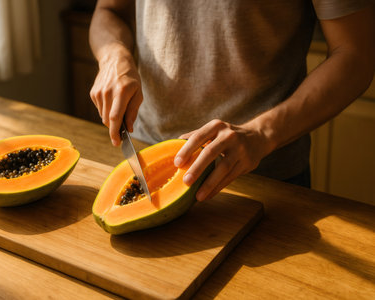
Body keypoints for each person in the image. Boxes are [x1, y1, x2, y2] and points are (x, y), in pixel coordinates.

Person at [88, 0, 375, 202]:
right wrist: (113, 54)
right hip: (149, 153)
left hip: (263, 173)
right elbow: (109, 10)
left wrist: (261, 133)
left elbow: (355, 54)